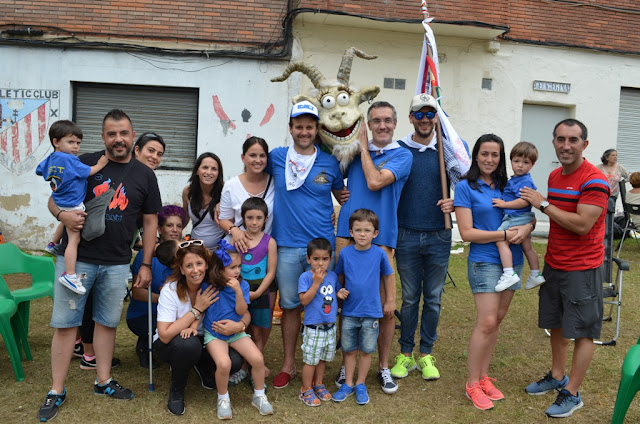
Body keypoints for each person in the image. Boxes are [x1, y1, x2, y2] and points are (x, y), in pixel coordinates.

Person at [38, 109, 162, 422]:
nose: (118, 139)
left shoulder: (145, 175)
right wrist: (61, 215)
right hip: (77, 260)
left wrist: (145, 263)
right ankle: (56, 389)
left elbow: (149, 222)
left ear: (133, 137)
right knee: (66, 324)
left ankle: (103, 381)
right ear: (103, 136)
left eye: (124, 133)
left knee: (107, 322)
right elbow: (55, 197)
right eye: (111, 134)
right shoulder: (82, 162)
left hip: (118, 262)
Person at [520, 119, 610, 418]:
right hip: (555, 262)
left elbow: (583, 225)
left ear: (585, 144)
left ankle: (572, 392)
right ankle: (557, 375)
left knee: (583, 331)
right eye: (560, 139)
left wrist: (542, 205)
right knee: (556, 323)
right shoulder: (555, 175)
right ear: (554, 142)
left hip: (582, 268)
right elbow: (558, 218)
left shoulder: (595, 180)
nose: (566, 145)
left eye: (573, 140)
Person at [334, 101, 411, 395]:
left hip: (381, 237)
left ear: (394, 124)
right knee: (348, 301)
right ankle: (348, 364)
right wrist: (338, 192)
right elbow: (329, 172)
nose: (382, 126)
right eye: (376, 120)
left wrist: (363, 148)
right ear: (367, 123)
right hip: (347, 234)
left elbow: (375, 181)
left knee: (384, 307)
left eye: (387, 121)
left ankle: (382, 366)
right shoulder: (351, 152)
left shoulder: (402, 155)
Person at [454, 133, 533, 411]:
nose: (489, 159)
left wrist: (528, 227)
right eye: (485, 153)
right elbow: (466, 232)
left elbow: (526, 215)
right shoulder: (465, 187)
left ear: (501, 159)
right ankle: (472, 383)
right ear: (476, 155)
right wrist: (502, 233)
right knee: (486, 321)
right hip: (484, 261)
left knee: (496, 322)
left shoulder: (508, 185)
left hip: (513, 261)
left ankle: (485, 376)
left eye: (495, 154)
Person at [270, 101, 344, 389]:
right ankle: (289, 365)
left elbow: (343, 195)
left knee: (324, 303)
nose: (304, 131)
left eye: (309, 127)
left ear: (317, 130)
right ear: (290, 129)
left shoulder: (330, 162)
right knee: (290, 307)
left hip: (322, 250)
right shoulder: (276, 157)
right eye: (298, 126)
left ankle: (318, 366)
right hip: (287, 245)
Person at [391, 93, 460, 382]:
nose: (424, 119)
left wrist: (455, 203)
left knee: (432, 298)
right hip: (405, 234)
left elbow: (467, 186)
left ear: (436, 118)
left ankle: (426, 353)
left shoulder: (449, 150)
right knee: (409, 298)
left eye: (430, 114)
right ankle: (406, 353)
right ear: (410, 118)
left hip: (438, 235)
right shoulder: (399, 150)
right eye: (418, 114)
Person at [153, 240, 248, 416]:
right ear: (181, 269)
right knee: (189, 345)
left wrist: (239, 325)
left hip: (209, 339)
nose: (195, 270)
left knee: (234, 361)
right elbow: (165, 335)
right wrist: (197, 308)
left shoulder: (218, 284)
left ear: (207, 264)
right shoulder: (170, 290)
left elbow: (244, 313)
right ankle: (176, 391)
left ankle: (203, 367)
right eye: (188, 265)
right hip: (171, 344)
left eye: (199, 263)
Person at [199, 240, 274, 419]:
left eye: (239, 266)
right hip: (214, 334)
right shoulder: (207, 285)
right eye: (232, 267)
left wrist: (239, 292)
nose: (237, 271)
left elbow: (242, 311)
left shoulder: (243, 285)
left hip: (237, 332)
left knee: (257, 358)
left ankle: (259, 395)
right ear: (219, 268)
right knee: (224, 363)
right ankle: (223, 398)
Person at [37, 120, 109, 293]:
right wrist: (101, 164)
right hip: (72, 202)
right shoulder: (70, 160)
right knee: (74, 240)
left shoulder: (52, 158)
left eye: (78, 143)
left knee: (64, 221)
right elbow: (89, 171)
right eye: (70, 142)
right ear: (56, 142)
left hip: (59, 198)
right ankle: (69, 275)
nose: (76, 147)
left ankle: (53, 243)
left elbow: (40, 170)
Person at [332, 209, 395, 405]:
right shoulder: (345, 254)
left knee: (366, 351)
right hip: (350, 311)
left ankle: (360, 383)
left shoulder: (379, 254)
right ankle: (348, 384)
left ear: (375, 233)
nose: (362, 234)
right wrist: (339, 291)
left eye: (367, 230)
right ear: (350, 232)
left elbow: (388, 276)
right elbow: (338, 277)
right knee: (349, 350)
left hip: (371, 311)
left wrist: (390, 300)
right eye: (357, 230)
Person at [226, 197, 277, 386]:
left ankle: (253, 367)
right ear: (243, 218)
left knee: (257, 332)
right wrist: (240, 292)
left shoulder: (269, 242)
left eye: (258, 218)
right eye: (250, 218)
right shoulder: (236, 240)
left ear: (265, 219)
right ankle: (241, 367)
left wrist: (257, 293)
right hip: (238, 294)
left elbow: (271, 272)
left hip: (260, 293)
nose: (254, 222)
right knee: (242, 330)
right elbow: (229, 268)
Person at [127, 205, 185, 368]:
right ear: (159, 229)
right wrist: (165, 300)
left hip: (176, 313)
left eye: (179, 226)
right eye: (169, 225)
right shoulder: (146, 255)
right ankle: (144, 347)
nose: (175, 230)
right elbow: (137, 293)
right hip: (145, 314)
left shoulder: (186, 254)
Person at [492, 142, 546, 292]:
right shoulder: (516, 179)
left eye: (526, 162)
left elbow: (524, 200)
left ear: (532, 165)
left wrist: (504, 204)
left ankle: (509, 273)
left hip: (517, 218)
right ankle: (536, 273)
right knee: (527, 247)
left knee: (500, 240)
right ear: (511, 161)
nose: (520, 165)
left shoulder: (525, 181)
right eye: (517, 161)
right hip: (523, 218)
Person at [297, 238, 340, 406]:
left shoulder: (333, 276)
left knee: (323, 359)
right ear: (308, 259)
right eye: (316, 259)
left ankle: (318, 384)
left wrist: (340, 292)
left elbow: (334, 293)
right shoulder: (306, 277)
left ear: (330, 259)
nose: (320, 263)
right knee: (311, 360)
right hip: (314, 327)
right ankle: (306, 389)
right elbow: (304, 301)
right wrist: (316, 282)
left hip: (330, 325)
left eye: (324, 259)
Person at [219, 136, 275, 250]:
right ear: (243, 158)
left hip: (263, 251)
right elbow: (223, 219)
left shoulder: (275, 183)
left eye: (262, 156)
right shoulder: (231, 185)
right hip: (237, 249)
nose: (258, 160)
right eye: (252, 155)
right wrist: (234, 230)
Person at [182, 152, 226, 249]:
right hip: (196, 250)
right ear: (197, 170)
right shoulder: (188, 192)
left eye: (214, 169)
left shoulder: (225, 194)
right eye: (205, 167)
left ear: (218, 174)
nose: (209, 172)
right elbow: (184, 219)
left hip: (219, 252)